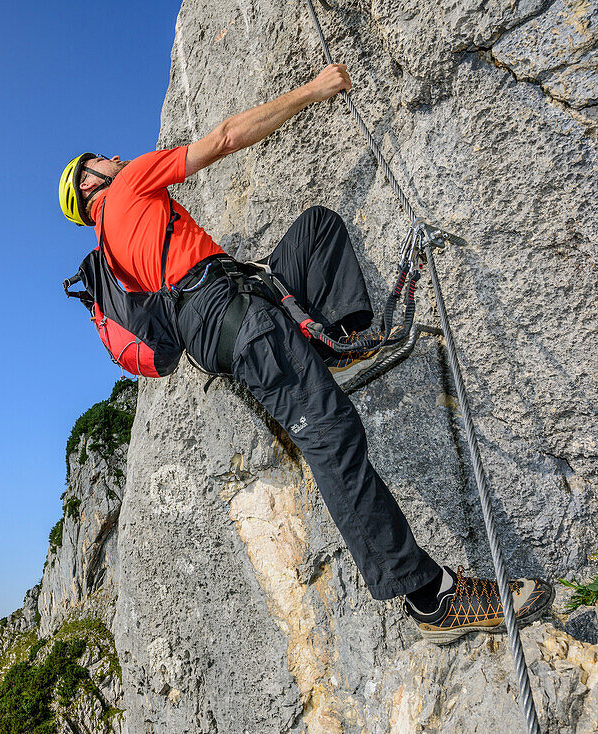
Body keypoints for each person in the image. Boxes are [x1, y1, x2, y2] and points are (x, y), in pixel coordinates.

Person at [57, 63, 552, 644]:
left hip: (226, 313)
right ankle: (428, 596)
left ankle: (337, 348)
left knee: (315, 232)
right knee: (333, 439)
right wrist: (315, 89)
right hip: (234, 318)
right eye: (98, 160)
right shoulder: (128, 187)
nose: (112, 156)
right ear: (90, 185)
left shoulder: (111, 251)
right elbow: (225, 138)